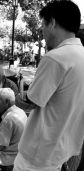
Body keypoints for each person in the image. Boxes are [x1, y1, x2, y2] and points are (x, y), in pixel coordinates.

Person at [13, 1, 84, 171]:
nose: (42, 31)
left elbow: (31, 101)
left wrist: (18, 96)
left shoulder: (55, 58)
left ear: (52, 23)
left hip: (38, 157)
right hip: (65, 150)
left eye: (43, 25)